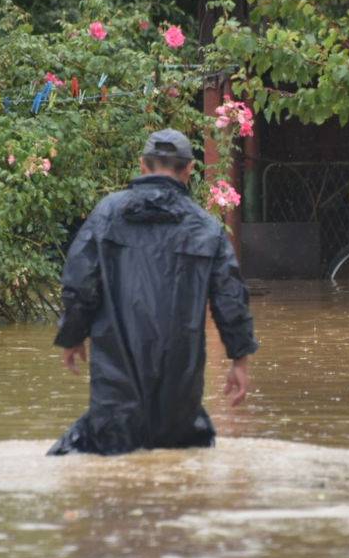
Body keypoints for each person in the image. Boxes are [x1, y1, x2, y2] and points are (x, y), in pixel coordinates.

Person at [48, 129, 258, 455]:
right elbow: (230, 298)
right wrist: (239, 360)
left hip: (116, 383)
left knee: (107, 475)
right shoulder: (206, 227)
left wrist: (73, 336)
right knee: (178, 475)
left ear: (142, 166)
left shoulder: (107, 214)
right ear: (189, 170)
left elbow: (79, 282)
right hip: (180, 385)